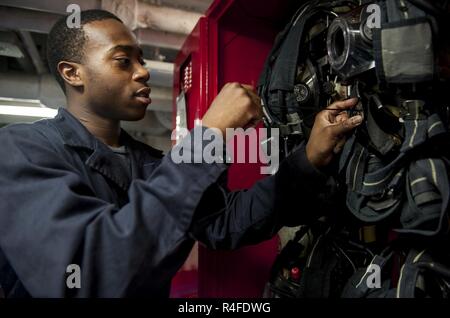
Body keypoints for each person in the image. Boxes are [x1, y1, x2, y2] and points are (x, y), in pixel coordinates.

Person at [0, 10, 362, 297]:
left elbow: (224, 223)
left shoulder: (148, 162)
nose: (142, 72)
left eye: (141, 60)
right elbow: (93, 273)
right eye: (123, 61)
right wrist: (209, 137)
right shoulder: (21, 150)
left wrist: (309, 159)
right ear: (73, 73)